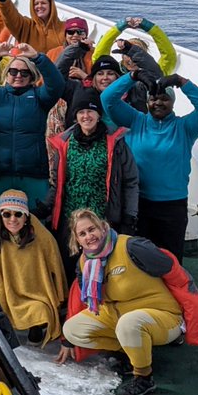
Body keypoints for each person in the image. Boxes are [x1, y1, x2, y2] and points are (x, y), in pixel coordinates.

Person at [56, 209, 198, 395]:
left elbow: (173, 271)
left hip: (161, 314)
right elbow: (85, 298)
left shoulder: (131, 246)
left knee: (129, 324)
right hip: (116, 315)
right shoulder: (85, 263)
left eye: (92, 229)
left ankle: (144, 377)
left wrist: (191, 306)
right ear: (77, 241)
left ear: (103, 227)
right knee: (73, 330)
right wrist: (66, 340)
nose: (89, 236)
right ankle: (131, 351)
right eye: (82, 234)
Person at [101, 69, 198, 264]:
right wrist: (133, 76)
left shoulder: (185, 127)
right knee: (137, 258)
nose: (158, 103)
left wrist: (182, 81)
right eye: (153, 98)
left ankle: (171, 294)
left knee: (170, 261)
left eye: (164, 98)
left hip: (172, 207)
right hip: (138, 204)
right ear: (147, 102)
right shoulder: (135, 120)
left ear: (172, 102)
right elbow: (107, 99)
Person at [40, 87, 139, 281]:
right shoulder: (65, 143)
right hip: (71, 219)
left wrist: (130, 216)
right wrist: (46, 206)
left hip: (102, 219)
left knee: (102, 271)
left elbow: (130, 181)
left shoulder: (115, 143)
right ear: (75, 116)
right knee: (70, 269)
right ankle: (72, 306)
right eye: (81, 112)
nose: (86, 116)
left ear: (98, 114)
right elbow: (58, 182)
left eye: (90, 111)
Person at [0, 42, 65, 210]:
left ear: (32, 75)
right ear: (6, 74)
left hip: (33, 174)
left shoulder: (40, 97)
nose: (18, 76)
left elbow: (56, 85)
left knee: (35, 223)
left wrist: (37, 58)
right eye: (13, 71)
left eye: (24, 72)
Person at [0, 190, 65, 345]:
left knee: (40, 309)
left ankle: (36, 328)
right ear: (1, 215)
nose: (13, 219)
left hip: (32, 292)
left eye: (18, 214)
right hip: (1, 288)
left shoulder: (41, 236)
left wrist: (58, 293)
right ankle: (0, 329)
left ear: (26, 216)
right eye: (7, 214)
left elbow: (55, 265)